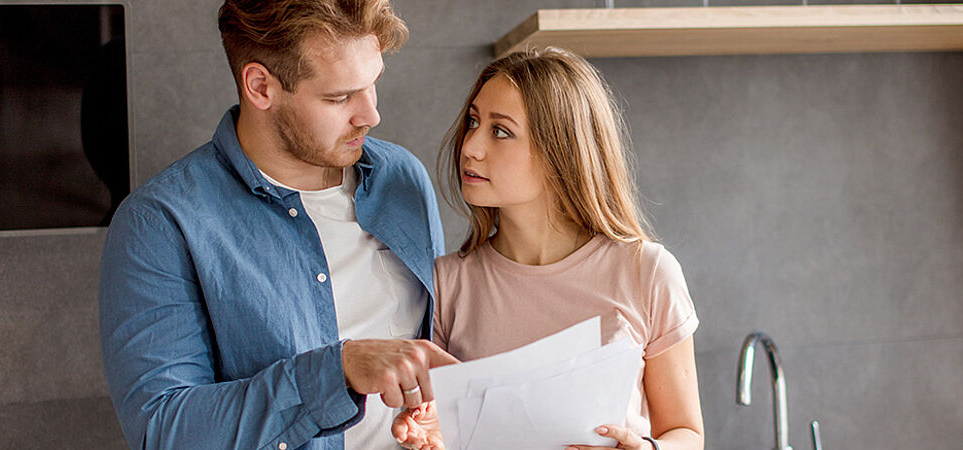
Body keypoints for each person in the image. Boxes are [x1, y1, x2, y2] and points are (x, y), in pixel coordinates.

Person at [98, 1, 457, 449]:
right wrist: (340, 370)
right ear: (260, 86)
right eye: (339, 97)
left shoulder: (403, 178)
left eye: (373, 84)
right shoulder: (160, 223)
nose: (370, 114)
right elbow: (165, 430)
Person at [393, 48, 705, 450]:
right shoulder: (446, 283)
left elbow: (687, 434)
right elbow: (434, 423)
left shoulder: (646, 272)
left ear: (561, 150)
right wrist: (426, 431)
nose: (470, 145)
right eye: (473, 121)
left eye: (500, 131)